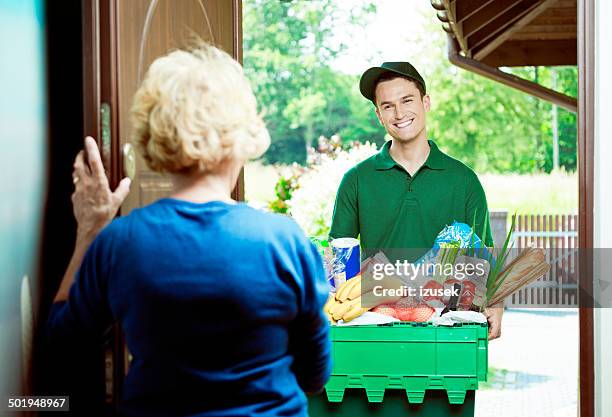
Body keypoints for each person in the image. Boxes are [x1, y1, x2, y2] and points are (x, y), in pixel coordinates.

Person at [47, 44, 331, 416]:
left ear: (155, 137)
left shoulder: (120, 242)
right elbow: (315, 375)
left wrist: (90, 229)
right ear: (242, 136)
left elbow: (62, 349)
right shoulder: (285, 241)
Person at [329, 61, 503, 340]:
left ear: (426, 102)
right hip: (375, 325)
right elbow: (339, 256)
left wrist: (495, 302)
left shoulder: (463, 180)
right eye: (387, 106)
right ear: (378, 115)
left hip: (445, 329)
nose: (399, 113)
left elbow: (484, 254)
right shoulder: (357, 180)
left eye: (407, 100)